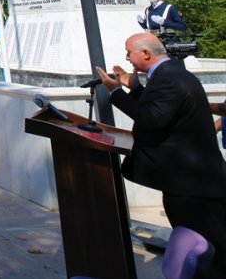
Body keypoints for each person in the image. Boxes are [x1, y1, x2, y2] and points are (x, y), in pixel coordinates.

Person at [95, 33, 226, 277]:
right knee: (203, 247)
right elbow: (162, 109)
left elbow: (152, 119)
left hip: (192, 186)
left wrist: (115, 92)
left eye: (129, 52)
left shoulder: (168, 79)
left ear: (146, 53)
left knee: (206, 250)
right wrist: (135, 89)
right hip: (193, 182)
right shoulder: (172, 74)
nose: (127, 57)